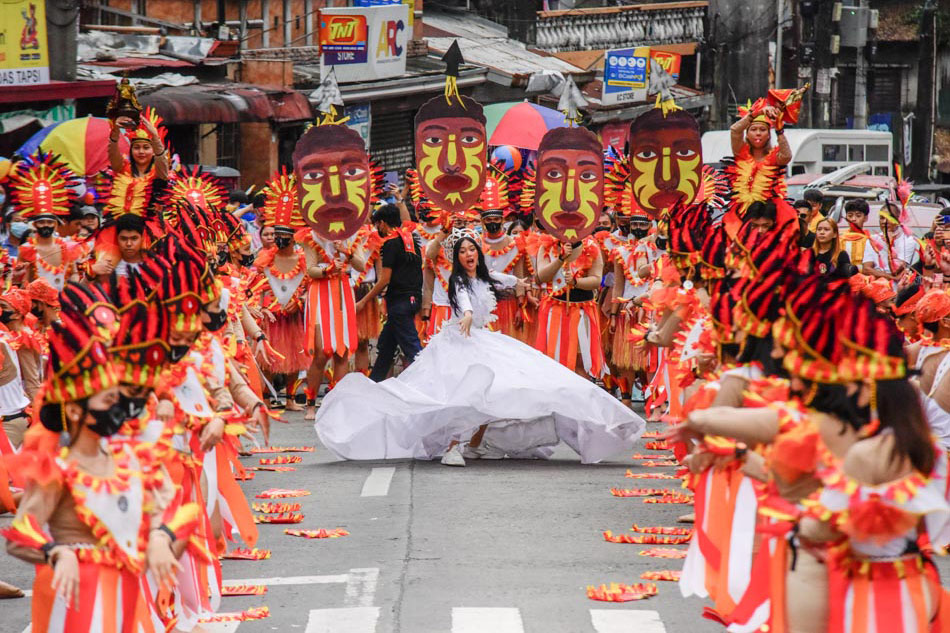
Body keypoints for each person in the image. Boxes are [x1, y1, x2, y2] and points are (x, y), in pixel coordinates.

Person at [314, 229, 645, 466]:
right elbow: (461, 302)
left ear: (478, 254)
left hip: (484, 340)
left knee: (500, 391)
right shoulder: (457, 281)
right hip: (460, 342)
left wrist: (548, 272)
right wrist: (468, 316)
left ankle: (473, 445)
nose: (468, 256)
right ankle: (453, 447)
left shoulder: (489, 277)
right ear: (457, 258)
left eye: (472, 251)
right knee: (466, 395)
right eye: (462, 253)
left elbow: (519, 282)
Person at [356, 204, 424, 382]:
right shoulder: (412, 241)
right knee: (386, 345)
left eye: (377, 225)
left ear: (383, 224)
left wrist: (363, 301)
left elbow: (384, 279)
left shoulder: (390, 244)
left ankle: (432, 382)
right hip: (412, 298)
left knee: (414, 350)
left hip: (400, 304)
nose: (377, 229)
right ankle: (374, 384)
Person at [862, 201, 918, 280]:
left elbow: (896, 270)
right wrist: (891, 277)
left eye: (889, 218)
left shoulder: (908, 240)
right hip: (876, 286)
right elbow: (866, 269)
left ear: (898, 220)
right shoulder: (872, 239)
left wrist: (889, 244)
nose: (884, 222)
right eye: (882, 218)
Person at [840, 198, 871, 264]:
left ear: (865, 218)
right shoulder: (840, 240)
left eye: (858, 216)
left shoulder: (871, 240)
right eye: (850, 216)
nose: (853, 219)